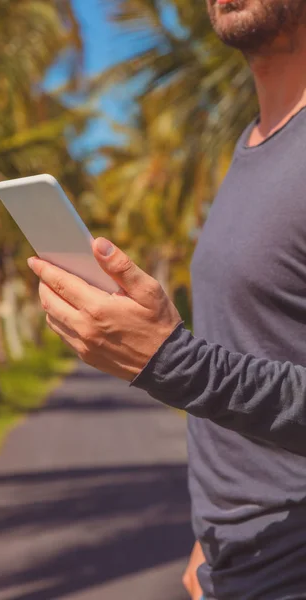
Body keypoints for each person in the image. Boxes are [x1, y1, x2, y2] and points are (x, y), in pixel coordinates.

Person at [28, 0, 306, 597]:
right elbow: (255, 341)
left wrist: (170, 361)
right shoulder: (254, 141)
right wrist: (211, 532)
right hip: (231, 560)